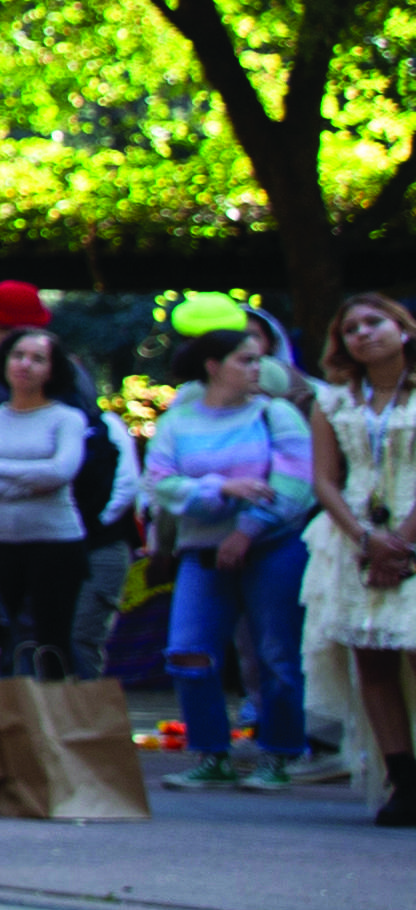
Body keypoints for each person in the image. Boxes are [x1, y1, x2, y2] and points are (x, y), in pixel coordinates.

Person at [137, 315, 319, 789]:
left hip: (273, 550)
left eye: (259, 359)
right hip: (202, 552)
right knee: (188, 650)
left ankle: (279, 755)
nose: (257, 368)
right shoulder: (177, 421)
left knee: (276, 654)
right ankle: (211, 754)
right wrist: (224, 487)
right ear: (213, 366)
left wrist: (247, 530)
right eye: (246, 360)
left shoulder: (275, 414)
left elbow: (296, 484)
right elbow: (161, 485)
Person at [302, 291, 416, 824]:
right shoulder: (334, 400)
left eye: (375, 322)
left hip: (410, 529)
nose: (364, 333)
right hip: (353, 536)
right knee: (371, 658)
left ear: (404, 329)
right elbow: (325, 478)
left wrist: (403, 541)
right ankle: (403, 779)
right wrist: (365, 538)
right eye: (352, 328)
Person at [0, 323, 100, 688]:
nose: (25, 365)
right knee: (9, 634)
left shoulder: (67, 418)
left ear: (53, 368)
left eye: (38, 358)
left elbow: (61, 471)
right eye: (18, 356)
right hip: (0, 542)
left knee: (55, 636)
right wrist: (26, 482)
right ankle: (16, 720)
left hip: (58, 543)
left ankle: (62, 719)